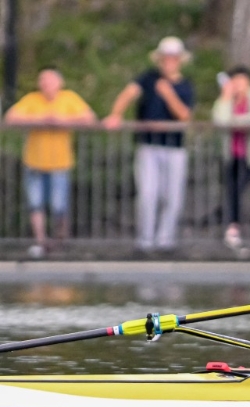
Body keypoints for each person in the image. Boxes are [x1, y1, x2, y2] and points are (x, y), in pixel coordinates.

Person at [103, 36, 195, 253]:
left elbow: (184, 115)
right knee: (147, 194)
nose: (169, 61)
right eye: (166, 58)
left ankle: (165, 240)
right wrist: (116, 114)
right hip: (149, 145)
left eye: (173, 58)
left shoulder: (185, 86)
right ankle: (145, 241)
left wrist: (168, 94)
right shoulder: (148, 78)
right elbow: (128, 93)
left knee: (172, 196)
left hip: (174, 147)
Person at [5, 67, 96, 259]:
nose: (45, 85)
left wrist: (62, 121)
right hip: (35, 161)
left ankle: (59, 241)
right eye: (42, 81)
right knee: (35, 204)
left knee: (59, 205)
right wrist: (40, 120)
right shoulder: (32, 99)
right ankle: (41, 241)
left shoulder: (69, 98)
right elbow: (11, 117)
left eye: (49, 81)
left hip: (59, 163)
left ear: (59, 83)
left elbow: (89, 119)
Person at [212, 65, 250, 251]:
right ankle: (233, 227)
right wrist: (226, 98)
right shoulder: (226, 99)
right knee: (232, 190)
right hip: (231, 153)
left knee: (246, 190)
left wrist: (234, 121)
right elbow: (219, 119)